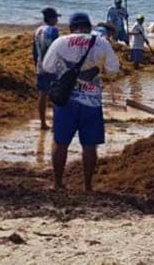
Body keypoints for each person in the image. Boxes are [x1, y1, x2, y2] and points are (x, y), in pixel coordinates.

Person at [42, 12, 120, 192]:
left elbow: (47, 67)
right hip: (92, 101)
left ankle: (58, 182)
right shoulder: (101, 42)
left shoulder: (61, 42)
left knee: (60, 142)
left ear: (71, 27)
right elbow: (113, 70)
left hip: (65, 100)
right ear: (89, 25)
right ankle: (87, 185)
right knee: (89, 145)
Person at [33, 7, 62, 131]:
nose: (57, 20)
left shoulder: (37, 30)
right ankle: (56, 123)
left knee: (42, 94)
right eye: (56, 17)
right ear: (51, 18)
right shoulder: (53, 31)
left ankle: (43, 122)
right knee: (55, 95)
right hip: (52, 66)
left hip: (40, 66)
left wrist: (37, 63)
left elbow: (34, 51)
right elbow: (54, 48)